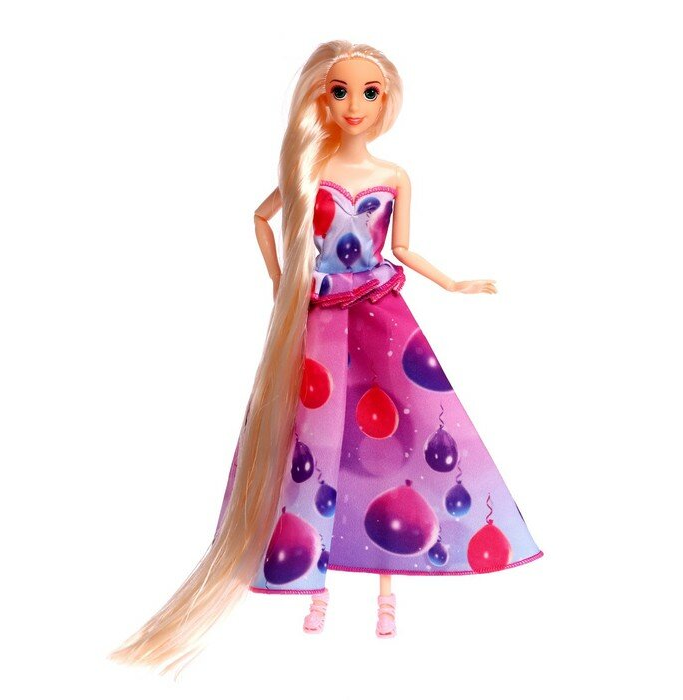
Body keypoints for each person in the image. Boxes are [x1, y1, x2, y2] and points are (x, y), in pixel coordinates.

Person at [109, 39, 543, 678]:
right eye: (341, 91)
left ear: (387, 100)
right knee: (317, 443)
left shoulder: (394, 176)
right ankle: (315, 581)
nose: (354, 104)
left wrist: (453, 283)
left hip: (382, 319)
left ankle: (387, 591)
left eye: (369, 92)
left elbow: (403, 247)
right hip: (318, 321)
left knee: (399, 440)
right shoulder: (309, 168)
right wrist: (282, 281)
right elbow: (261, 218)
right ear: (321, 97)